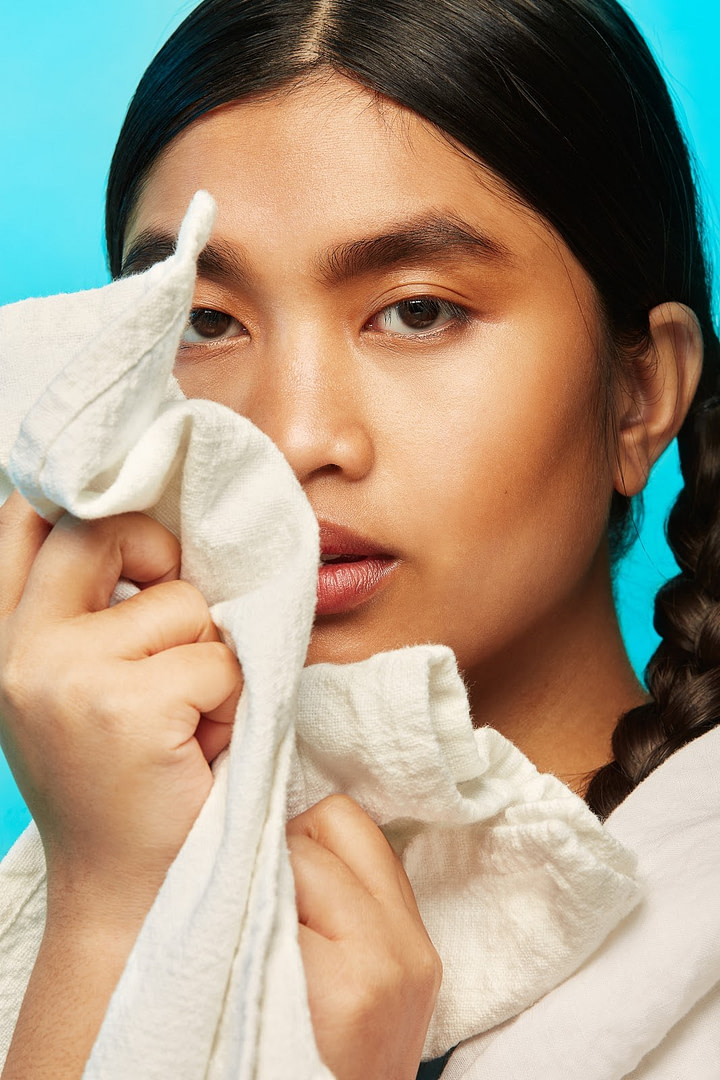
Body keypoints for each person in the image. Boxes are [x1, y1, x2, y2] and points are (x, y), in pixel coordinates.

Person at [0, 0, 718, 1077]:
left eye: (418, 311)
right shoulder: (91, 860)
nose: (291, 436)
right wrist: (106, 916)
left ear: (638, 394)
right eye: (204, 321)